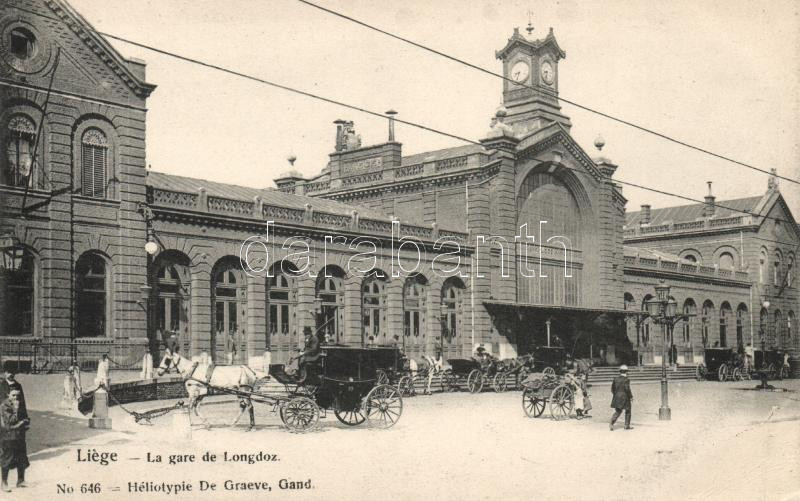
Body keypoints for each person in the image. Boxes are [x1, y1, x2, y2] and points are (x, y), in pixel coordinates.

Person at [0, 389, 30, 491]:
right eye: (13, 395)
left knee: (21, 457)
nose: (16, 397)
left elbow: (24, 417)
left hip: (19, 435)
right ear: (8, 395)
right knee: (7, 459)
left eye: (18, 395)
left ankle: (20, 481)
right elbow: (11, 421)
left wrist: (26, 421)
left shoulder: (18, 403)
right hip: (8, 436)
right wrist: (17, 411)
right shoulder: (5, 406)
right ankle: (4, 483)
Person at [609, 365, 633, 431]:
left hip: (617, 397)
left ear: (620, 371)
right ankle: (626, 425)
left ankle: (611, 422)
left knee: (618, 411)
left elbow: (612, 389)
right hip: (625, 397)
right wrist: (631, 396)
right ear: (626, 372)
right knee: (628, 411)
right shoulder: (626, 379)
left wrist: (616, 395)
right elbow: (627, 389)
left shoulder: (615, 379)